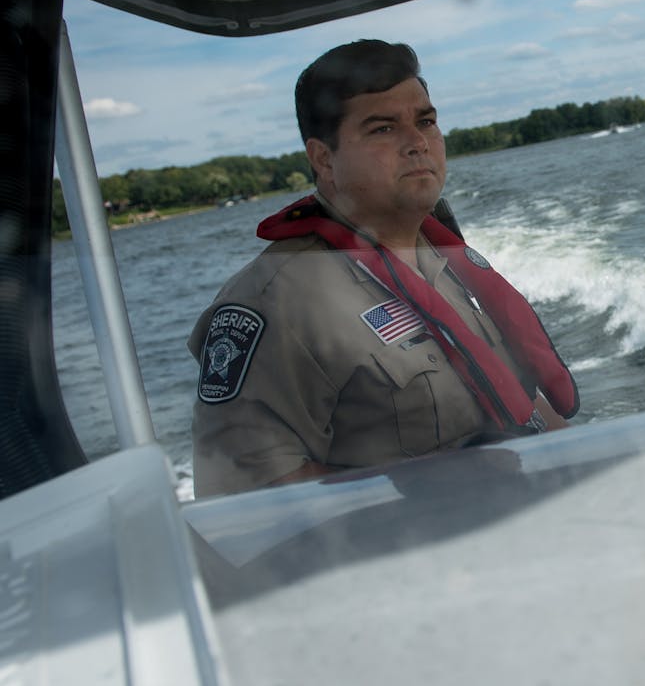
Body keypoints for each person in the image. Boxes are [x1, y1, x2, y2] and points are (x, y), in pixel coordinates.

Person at [189, 40, 577, 497]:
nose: (417, 143)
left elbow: (521, 406)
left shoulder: (438, 257)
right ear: (324, 159)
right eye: (382, 129)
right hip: (426, 553)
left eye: (426, 122)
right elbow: (245, 502)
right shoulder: (278, 302)